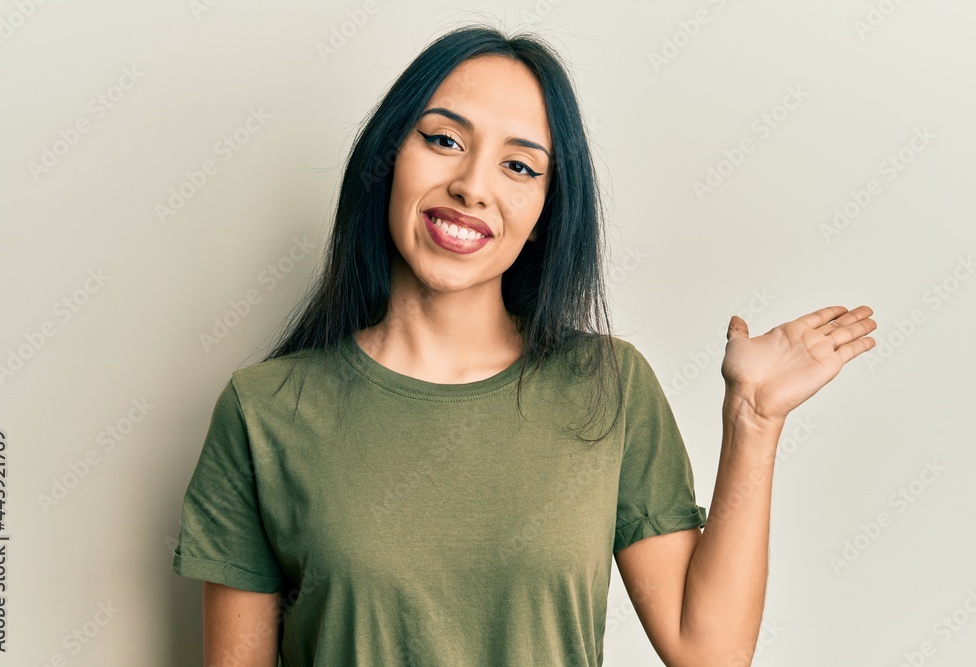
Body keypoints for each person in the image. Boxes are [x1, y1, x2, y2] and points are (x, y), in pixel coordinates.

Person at [171, 23, 877, 667]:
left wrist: (754, 420)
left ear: (543, 213)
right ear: (388, 159)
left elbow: (710, 653)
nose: (471, 187)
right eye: (444, 140)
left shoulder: (608, 385)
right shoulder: (264, 410)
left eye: (519, 167)